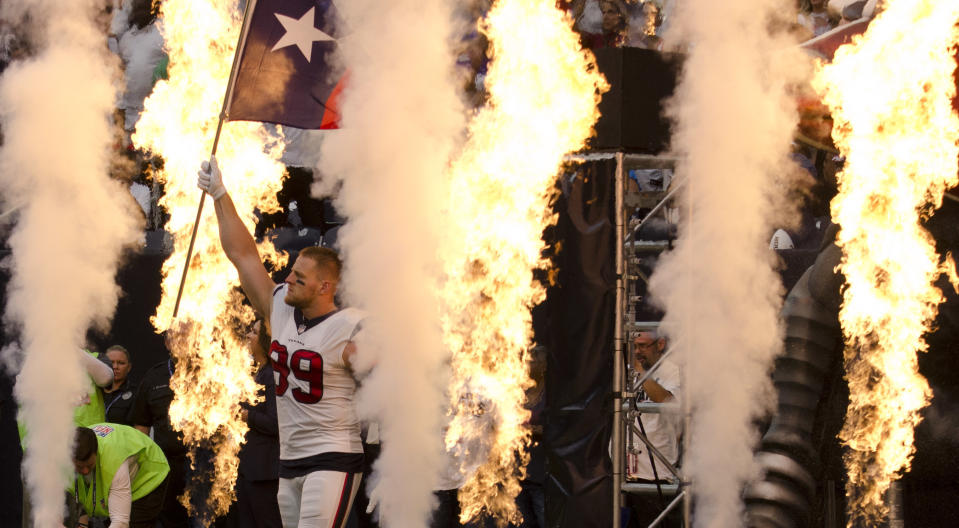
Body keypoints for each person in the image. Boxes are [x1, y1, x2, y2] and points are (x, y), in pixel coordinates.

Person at [197, 157, 364, 528]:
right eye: (291, 272)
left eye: (299, 277)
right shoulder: (281, 310)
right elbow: (243, 256)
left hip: (333, 456)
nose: (288, 279)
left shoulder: (350, 326)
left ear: (325, 287)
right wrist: (220, 195)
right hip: (288, 461)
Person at [623, 330, 682, 527]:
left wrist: (639, 370)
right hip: (624, 471)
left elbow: (667, 402)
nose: (638, 351)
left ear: (660, 344)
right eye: (635, 346)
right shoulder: (625, 372)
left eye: (643, 346)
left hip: (655, 473)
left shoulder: (671, 371)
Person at [227, 321, 282, 528]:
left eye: (255, 332)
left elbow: (276, 423)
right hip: (246, 469)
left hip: (265, 472)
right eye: (250, 330)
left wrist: (246, 415)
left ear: (266, 339)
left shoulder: (272, 375)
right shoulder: (253, 373)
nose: (249, 335)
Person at [129, 355, 190, 527]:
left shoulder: (212, 369)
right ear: (167, 342)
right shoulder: (154, 377)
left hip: (204, 464)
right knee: (171, 519)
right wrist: (141, 463)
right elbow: (141, 423)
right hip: (167, 465)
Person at [70, 423, 170, 528]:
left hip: (149, 473)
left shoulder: (114, 464)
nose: (85, 471)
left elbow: (120, 521)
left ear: (97, 452)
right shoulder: (60, 460)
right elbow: (77, 495)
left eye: (89, 465)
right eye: (79, 467)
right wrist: (82, 523)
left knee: (135, 523)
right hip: (120, 468)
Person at [104, 345, 136, 425]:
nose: (115, 367)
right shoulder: (93, 391)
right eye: (111, 362)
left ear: (129, 367)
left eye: (121, 363)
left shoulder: (136, 394)